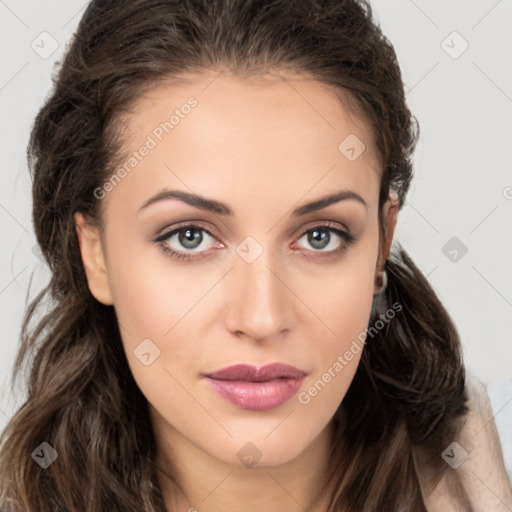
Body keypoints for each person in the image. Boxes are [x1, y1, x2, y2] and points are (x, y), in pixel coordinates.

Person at [0, 0, 511, 511]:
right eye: (190, 237)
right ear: (96, 255)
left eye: (320, 236)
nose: (262, 317)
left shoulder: (478, 483)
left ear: (381, 242)